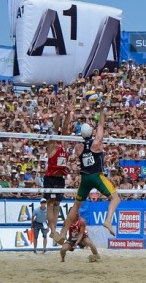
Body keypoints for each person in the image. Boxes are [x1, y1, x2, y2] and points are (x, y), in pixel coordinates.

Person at [59, 111, 119, 243]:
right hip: (97, 176)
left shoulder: (78, 147)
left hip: (84, 178)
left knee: (76, 206)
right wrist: (102, 111)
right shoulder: (97, 143)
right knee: (115, 198)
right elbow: (101, 125)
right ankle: (108, 221)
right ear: (91, 132)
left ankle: (63, 232)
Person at [44, 103, 72, 245]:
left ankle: (53, 231)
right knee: (50, 205)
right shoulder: (53, 146)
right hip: (50, 178)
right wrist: (59, 115)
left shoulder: (64, 145)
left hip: (60, 178)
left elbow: (65, 129)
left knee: (56, 206)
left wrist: (68, 113)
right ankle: (52, 230)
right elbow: (56, 129)